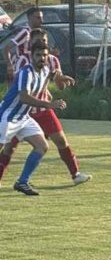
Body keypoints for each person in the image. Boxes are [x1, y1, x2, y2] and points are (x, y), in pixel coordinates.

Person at [0, 29, 91, 187]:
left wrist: (61, 79)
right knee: (8, 148)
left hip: (43, 111)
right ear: (31, 44)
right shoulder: (23, 61)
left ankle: (75, 174)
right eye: (38, 40)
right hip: (21, 111)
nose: (42, 42)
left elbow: (55, 78)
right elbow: (18, 88)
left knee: (59, 141)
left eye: (44, 40)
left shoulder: (52, 60)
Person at [0, 36, 68, 196]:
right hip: (7, 117)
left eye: (44, 55)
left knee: (42, 146)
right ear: (32, 56)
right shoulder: (26, 72)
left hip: (23, 118)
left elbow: (50, 75)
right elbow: (24, 97)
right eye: (38, 55)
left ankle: (22, 182)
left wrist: (59, 77)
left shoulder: (44, 70)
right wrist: (49, 104)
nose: (42, 58)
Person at [1, 5, 43, 81]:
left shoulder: (37, 33)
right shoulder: (25, 32)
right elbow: (6, 49)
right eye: (38, 18)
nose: (41, 20)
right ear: (30, 18)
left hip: (31, 69)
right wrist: (9, 65)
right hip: (21, 69)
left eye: (41, 17)